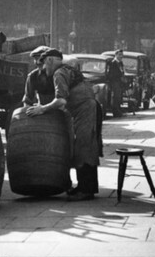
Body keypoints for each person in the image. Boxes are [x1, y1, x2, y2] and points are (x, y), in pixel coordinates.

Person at [24, 48, 100, 200]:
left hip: (85, 109)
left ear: (50, 60)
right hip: (83, 108)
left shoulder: (59, 73)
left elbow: (61, 100)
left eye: (44, 63)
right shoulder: (66, 69)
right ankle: (84, 187)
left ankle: (86, 190)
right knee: (84, 147)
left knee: (84, 147)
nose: (43, 67)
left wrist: (42, 109)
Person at [105, 49, 125, 117]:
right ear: (116, 55)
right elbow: (111, 74)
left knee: (119, 96)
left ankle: (118, 110)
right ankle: (115, 111)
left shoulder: (120, 63)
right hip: (114, 82)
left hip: (119, 82)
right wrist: (119, 76)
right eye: (119, 55)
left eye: (122, 55)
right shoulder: (113, 63)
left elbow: (122, 71)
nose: (121, 56)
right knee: (115, 97)